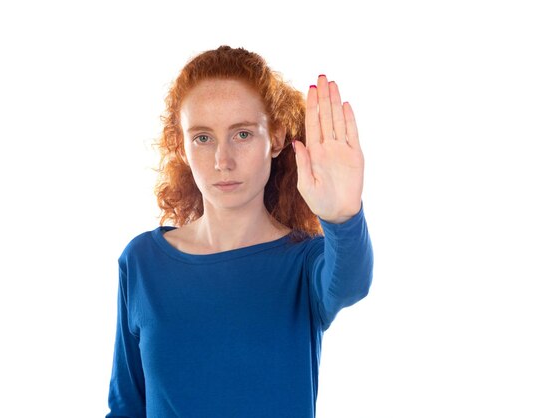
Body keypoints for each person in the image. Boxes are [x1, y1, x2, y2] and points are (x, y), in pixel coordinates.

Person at [105, 45, 373, 417]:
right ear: (181, 146)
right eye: (202, 137)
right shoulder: (143, 262)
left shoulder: (304, 262)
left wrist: (344, 217)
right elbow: (126, 408)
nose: (222, 160)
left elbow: (351, 282)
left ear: (276, 139)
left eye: (243, 134)